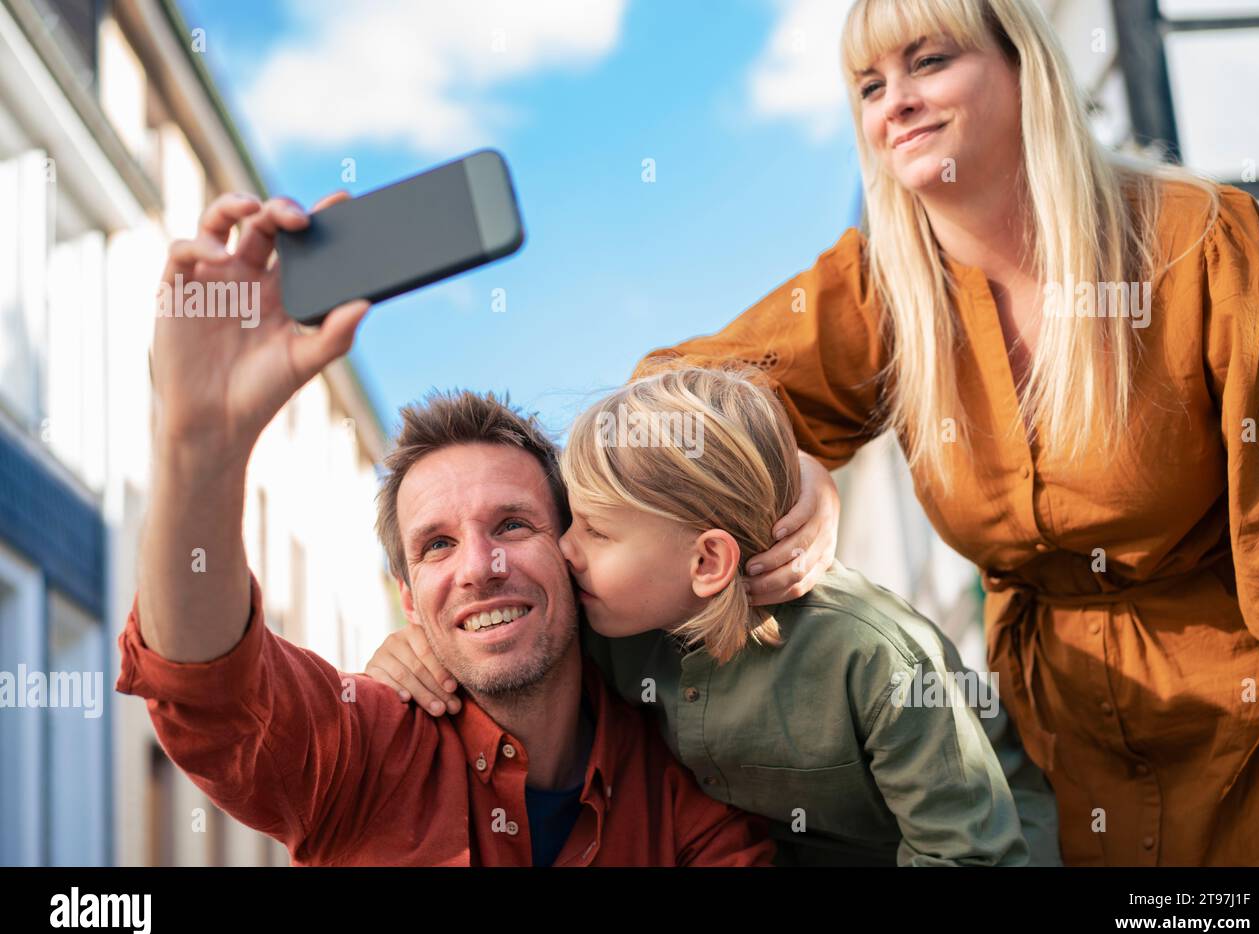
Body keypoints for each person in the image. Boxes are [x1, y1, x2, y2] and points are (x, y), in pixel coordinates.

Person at [627, 0, 1259, 865]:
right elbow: (667, 394)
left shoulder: (1204, 244)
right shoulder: (881, 290)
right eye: (870, 85)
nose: (895, 101)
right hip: (1054, 755)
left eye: (929, 62)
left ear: (1025, 67)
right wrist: (789, 460)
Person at [116, 190, 775, 866]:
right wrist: (198, 441)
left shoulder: (685, 791)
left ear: (574, 551)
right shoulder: (364, 747)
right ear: (407, 598)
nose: (478, 566)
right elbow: (206, 688)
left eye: (513, 525)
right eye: (437, 544)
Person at [368, 364, 1061, 865]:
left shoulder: (873, 658)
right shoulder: (618, 630)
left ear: (706, 563)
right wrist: (414, 650)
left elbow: (970, 848)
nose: (564, 549)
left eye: (596, 533)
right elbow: (501, 645)